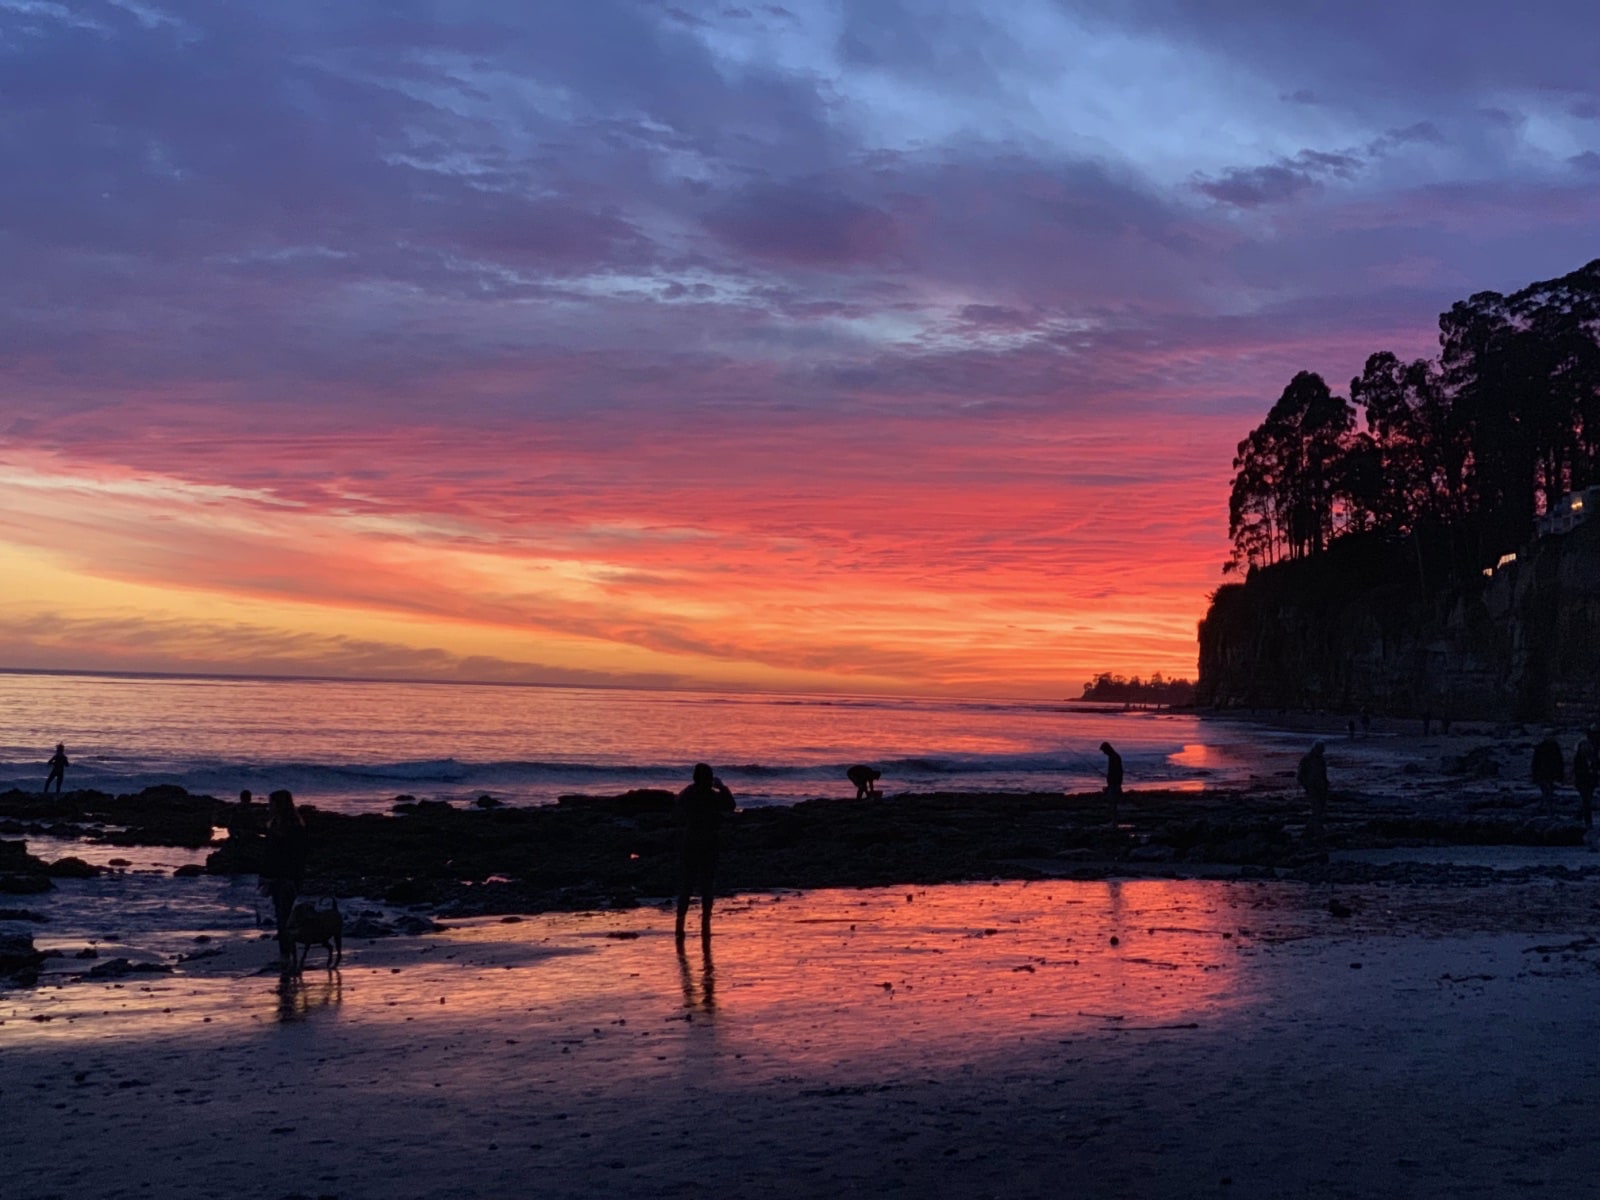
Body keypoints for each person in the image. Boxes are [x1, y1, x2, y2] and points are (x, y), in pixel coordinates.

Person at [675, 763, 735, 944]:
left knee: (686, 884)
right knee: (706, 885)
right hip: (709, 842)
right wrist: (722, 787)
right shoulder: (712, 796)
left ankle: (680, 925)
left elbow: (677, 807)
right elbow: (730, 806)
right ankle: (705, 924)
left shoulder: (688, 794)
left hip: (690, 841)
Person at [260, 789, 309, 971]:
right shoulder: (274, 825)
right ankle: (286, 955)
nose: (268, 806)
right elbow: (268, 855)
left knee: (284, 918)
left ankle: (286, 957)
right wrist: (264, 876)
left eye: (271, 803)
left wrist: (292, 878)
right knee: (282, 917)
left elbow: (297, 857)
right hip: (275, 878)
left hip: (287, 879)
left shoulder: (294, 828)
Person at [1298, 741, 1329, 840]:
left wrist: (1326, 783)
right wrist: (1306, 786)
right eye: (1319, 750)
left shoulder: (1321, 760)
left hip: (1321, 787)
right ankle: (1317, 830)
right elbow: (1300, 775)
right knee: (1316, 808)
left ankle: (1311, 829)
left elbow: (1323, 774)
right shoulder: (1306, 759)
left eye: (1321, 751)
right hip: (1312, 788)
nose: (1320, 752)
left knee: (1320, 808)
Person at [1573, 731, 1599, 829]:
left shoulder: (1593, 757)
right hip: (1582, 782)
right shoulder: (1578, 758)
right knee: (1586, 800)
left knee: (1588, 800)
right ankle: (1588, 821)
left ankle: (1580, 816)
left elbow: (1597, 767)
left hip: (1590, 782)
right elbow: (1577, 770)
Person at [1532, 737, 1565, 808]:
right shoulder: (1542, 747)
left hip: (1549, 772)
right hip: (1544, 772)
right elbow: (1535, 762)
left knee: (1547, 790)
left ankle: (1545, 805)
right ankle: (1546, 805)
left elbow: (1559, 761)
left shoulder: (1554, 747)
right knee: (1547, 790)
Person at [1099, 742, 1123, 824]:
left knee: (1112, 802)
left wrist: (1115, 783)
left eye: (1104, 751)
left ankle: (1114, 821)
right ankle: (1113, 820)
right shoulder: (1114, 757)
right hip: (1114, 783)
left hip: (1114, 783)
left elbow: (1117, 771)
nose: (1104, 753)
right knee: (1112, 802)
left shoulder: (1114, 757)